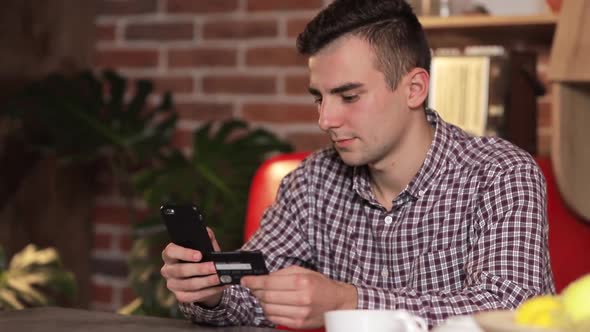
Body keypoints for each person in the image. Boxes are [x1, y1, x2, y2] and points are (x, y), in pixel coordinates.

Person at [160, 0, 555, 329]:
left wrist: (350, 301)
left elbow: (511, 312)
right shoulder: (312, 182)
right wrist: (212, 292)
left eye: (348, 97)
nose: (325, 119)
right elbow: (250, 298)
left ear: (414, 89)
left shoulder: (501, 173)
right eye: (319, 97)